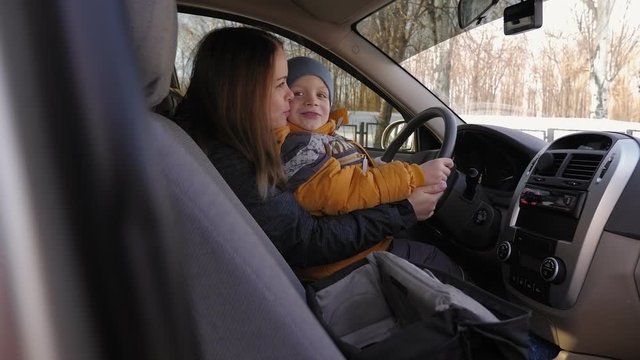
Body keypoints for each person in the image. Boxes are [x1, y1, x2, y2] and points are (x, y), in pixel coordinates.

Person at [173, 26, 462, 281]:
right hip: (342, 269)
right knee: (449, 271)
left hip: (355, 252)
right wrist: (405, 209)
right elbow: (308, 241)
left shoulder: (234, 143)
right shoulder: (238, 162)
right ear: (243, 92)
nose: (290, 95)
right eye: (280, 84)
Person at [279, 56, 453, 216]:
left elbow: (350, 175)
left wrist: (372, 166)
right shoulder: (297, 147)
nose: (312, 101)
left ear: (330, 103)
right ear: (284, 99)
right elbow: (345, 191)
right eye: (298, 93)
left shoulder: (325, 137)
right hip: (361, 248)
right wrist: (415, 175)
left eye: (321, 95)